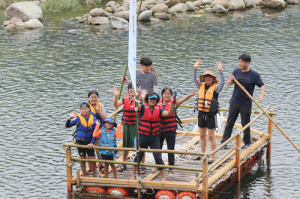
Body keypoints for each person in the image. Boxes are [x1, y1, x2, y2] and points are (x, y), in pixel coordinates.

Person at [221, 54, 265, 149]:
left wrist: (261, 95)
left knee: (245, 123)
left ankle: (247, 142)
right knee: (230, 122)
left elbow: (262, 85)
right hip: (234, 102)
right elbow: (229, 84)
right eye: (239, 61)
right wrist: (230, 79)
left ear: (247, 63)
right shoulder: (236, 71)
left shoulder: (254, 74)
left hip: (246, 103)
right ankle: (224, 142)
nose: (239, 63)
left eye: (241, 62)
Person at [131, 92, 175, 181]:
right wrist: (137, 97)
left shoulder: (158, 110)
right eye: (151, 99)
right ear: (147, 100)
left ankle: (163, 177)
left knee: (158, 157)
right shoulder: (143, 107)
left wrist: (172, 105)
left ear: (156, 101)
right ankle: (133, 175)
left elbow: (168, 113)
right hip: (143, 137)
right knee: (138, 156)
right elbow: (137, 106)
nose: (152, 101)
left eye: (154, 100)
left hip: (154, 138)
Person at [157, 87, 197, 177]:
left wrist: (191, 94)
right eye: (165, 93)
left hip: (170, 130)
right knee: (157, 149)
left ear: (171, 96)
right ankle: (158, 166)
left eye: (168, 94)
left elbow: (182, 100)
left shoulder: (174, 104)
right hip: (159, 130)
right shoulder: (157, 104)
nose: (166, 95)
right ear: (162, 95)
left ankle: (170, 169)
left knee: (171, 150)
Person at [192, 59, 225, 164]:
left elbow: (223, 82)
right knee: (201, 136)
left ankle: (213, 156)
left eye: (209, 77)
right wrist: (195, 69)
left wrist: (220, 71)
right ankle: (202, 154)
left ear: (213, 79)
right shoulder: (200, 86)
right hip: (201, 114)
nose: (207, 78)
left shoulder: (216, 89)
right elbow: (194, 78)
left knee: (211, 136)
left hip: (211, 115)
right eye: (206, 77)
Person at [112, 82, 145, 173]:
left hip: (136, 125)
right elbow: (115, 105)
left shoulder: (140, 99)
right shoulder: (124, 97)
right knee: (125, 145)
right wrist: (116, 96)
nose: (132, 90)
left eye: (134, 88)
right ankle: (124, 163)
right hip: (126, 125)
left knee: (140, 145)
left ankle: (142, 165)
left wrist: (139, 97)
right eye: (130, 88)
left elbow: (142, 108)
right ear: (128, 89)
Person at [65, 102, 98, 177]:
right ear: (80, 110)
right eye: (82, 109)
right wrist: (69, 118)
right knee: (82, 158)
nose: (84, 110)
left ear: (89, 109)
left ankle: (94, 173)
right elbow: (67, 125)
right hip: (80, 142)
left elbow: (95, 132)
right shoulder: (78, 119)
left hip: (89, 142)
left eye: (86, 109)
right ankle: (84, 173)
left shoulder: (94, 119)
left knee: (92, 158)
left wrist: (92, 143)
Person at [87, 90, 107, 174]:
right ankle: (91, 168)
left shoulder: (100, 105)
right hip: (89, 131)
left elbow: (105, 118)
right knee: (89, 150)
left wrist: (98, 110)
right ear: (89, 98)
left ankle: (101, 165)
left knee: (99, 149)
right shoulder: (86, 106)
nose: (94, 99)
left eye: (95, 97)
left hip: (99, 130)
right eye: (92, 97)